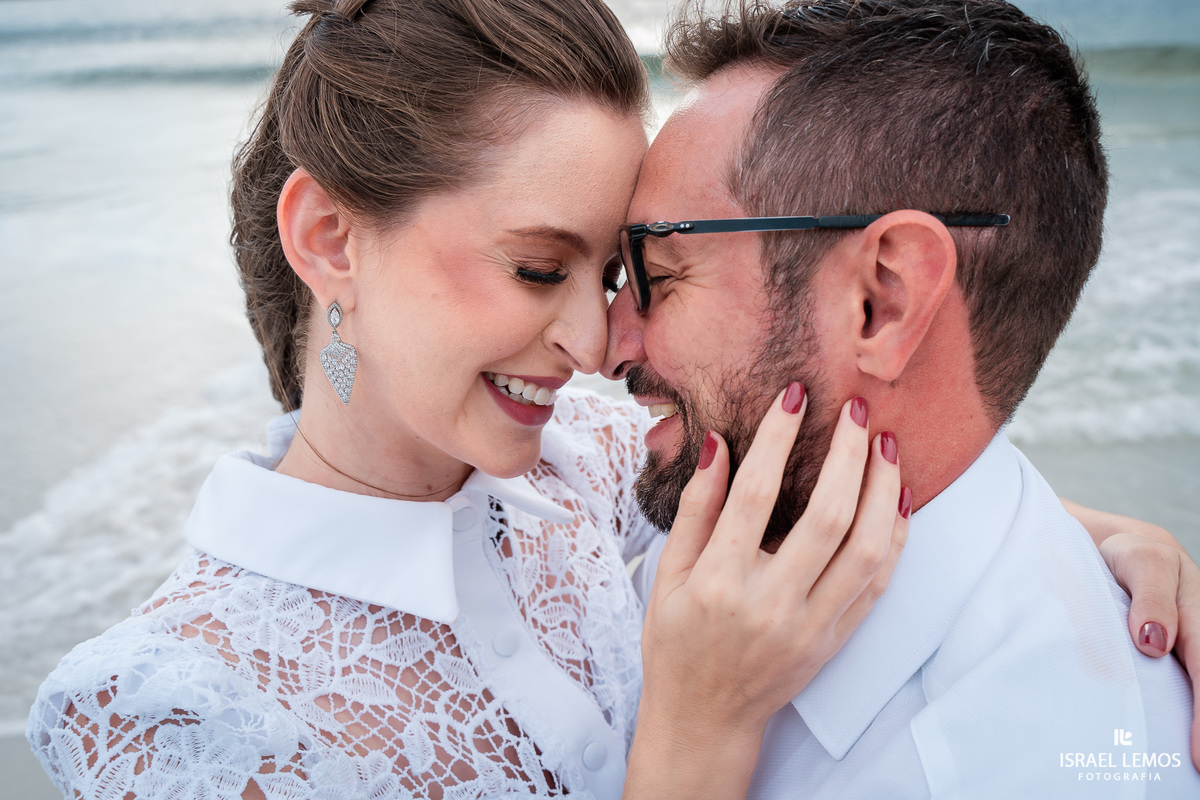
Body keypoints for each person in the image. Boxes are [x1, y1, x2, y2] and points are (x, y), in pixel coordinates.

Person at [23, 1, 1197, 798]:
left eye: (622, 272)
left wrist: (1068, 539)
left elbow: (857, 469)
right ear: (331, 238)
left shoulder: (579, 463)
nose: (594, 344)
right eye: (542, 267)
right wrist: (694, 738)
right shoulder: (166, 710)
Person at [603, 1, 1200, 797]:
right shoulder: (657, 527)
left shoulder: (1033, 769)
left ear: (882, 301)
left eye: (657, 273)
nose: (607, 345)